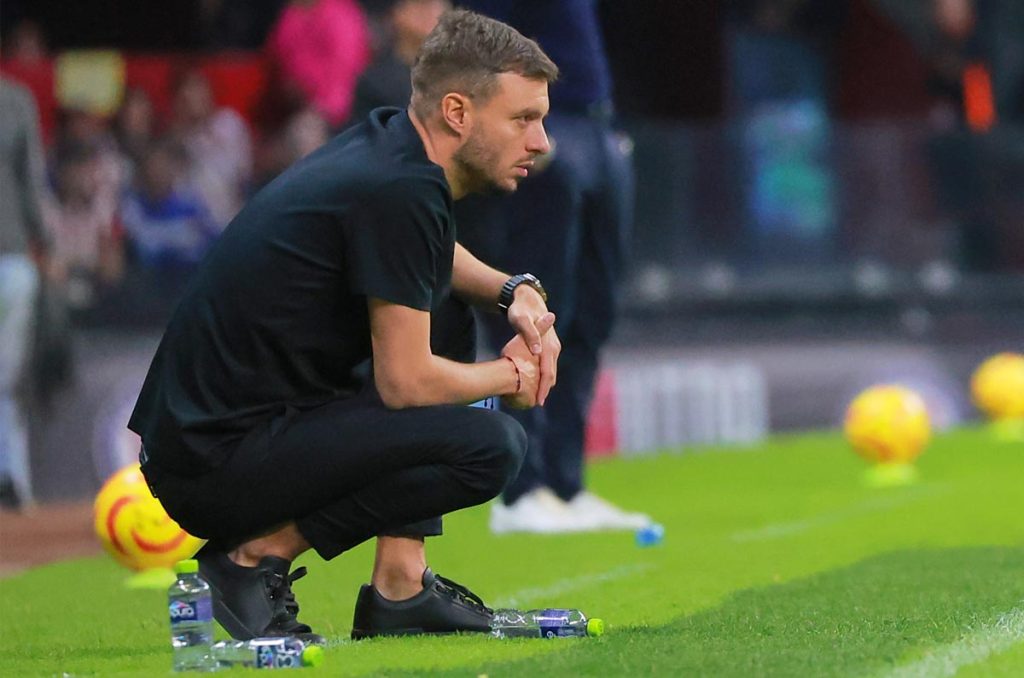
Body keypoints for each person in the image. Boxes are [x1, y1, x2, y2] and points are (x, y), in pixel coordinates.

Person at [129, 9, 560, 642]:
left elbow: (427, 255)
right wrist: (512, 373)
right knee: (490, 446)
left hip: (220, 434)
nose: (541, 141)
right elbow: (405, 384)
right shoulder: (403, 188)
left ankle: (402, 590)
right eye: (523, 118)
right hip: (213, 461)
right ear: (458, 112)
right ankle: (251, 558)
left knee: (441, 309)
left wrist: (510, 292)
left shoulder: (392, 147)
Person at [455, 0, 648, 533]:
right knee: (539, 308)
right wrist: (515, 125)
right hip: (552, 126)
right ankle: (522, 490)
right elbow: (481, 31)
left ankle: (566, 483)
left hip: (598, 122)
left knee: (592, 313)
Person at [0, 78, 49, 510]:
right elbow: (31, 177)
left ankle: (11, 477)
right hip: (12, 256)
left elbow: (31, 176)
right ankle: (11, 477)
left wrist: (45, 242)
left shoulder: (16, 99)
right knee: (7, 379)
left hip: (11, 256)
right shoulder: (15, 99)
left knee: (9, 378)